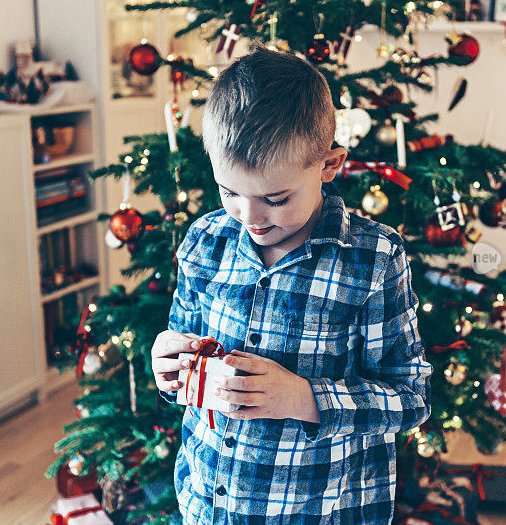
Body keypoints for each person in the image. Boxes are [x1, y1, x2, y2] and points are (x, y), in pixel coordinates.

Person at [151, 43, 432, 524]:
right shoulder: (204, 242)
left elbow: (411, 399)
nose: (250, 216)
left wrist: (303, 398)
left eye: (276, 198)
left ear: (329, 166)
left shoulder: (373, 259)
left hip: (321, 511)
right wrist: (169, 368)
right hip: (209, 505)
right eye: (229, 192)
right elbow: (186, 367)